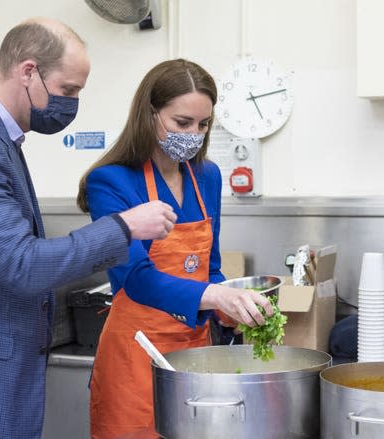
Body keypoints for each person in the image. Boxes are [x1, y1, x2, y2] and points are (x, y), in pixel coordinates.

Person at [0, 17, 177, 439]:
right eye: (68, 90)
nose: (72, 104)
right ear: (28, 72)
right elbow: (22, 264)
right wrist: (123, 226)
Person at [77, 58, 274, 439]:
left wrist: (229, 306)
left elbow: (208, 268)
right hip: (135, 358)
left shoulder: (207, 177)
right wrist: (215, 294)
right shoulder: (111, 182)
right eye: (182, 123)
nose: (194, 134)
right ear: (150, 114)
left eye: (203, 125)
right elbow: (135, 278)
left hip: (195, 358)